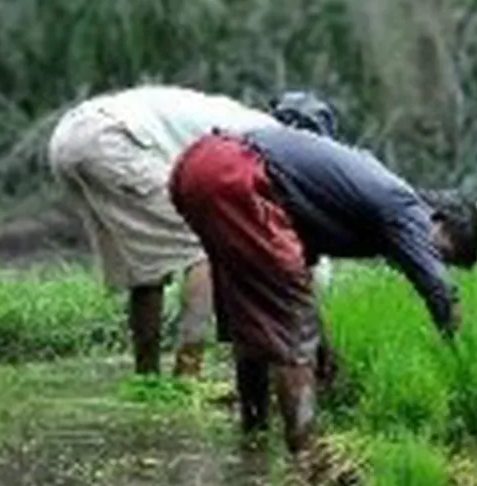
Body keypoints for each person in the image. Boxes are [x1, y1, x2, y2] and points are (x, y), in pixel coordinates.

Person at [168, 122, 477, 459]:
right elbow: (439, 289)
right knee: (292, 333)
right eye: (444, 254)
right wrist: (467, 364)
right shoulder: (406, 208)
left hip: (199, 165)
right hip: (238, 176)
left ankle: (254, 439)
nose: (434, 259)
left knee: (254, 316)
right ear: (438, 220)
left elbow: (292, 275)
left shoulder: (358, 203)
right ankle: (306, 457)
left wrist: (320, 336)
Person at [47, 85, 337, 378]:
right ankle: (188, 374)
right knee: (206, 247)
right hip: (113, 139)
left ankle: (146, 377)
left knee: (145, 268)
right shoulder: (271, 143)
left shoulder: (241, 118)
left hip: (69, 138)